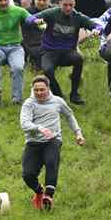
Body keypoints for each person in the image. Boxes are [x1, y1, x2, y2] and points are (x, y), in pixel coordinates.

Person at [20, 74, 86, 211]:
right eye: (36, 90)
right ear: (32, 90)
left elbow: (69, 115)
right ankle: (39, 191)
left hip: (52, 140)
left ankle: (48, 196)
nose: (39, 93)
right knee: (27, 175)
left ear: (48, 88)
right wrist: (39, 128)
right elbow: (24, 123)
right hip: (33, 142)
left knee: (51, 162)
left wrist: (78, 133)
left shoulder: (58, 101)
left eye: (42, 89)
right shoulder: (29, 104)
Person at [26, 0, 102, 105]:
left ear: (74, 4)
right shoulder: (52, 13)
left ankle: (74, 94)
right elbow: (28, 19)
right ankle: (59, 96)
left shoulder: (78, 17)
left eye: (70, 5)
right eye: (65, 5)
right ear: (60, 3)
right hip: (49, 51)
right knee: (47, 70)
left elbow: (97, 25)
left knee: (79, 58)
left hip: (67, 52)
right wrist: (36, 20)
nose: (68, 8)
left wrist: (97, 30)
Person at [23, 0, 53, 70]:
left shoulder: (54, 11)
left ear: (49, 0)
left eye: (44, 0)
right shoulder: (28, 12)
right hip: (33, 44)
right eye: (39, 0)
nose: (41, 3)